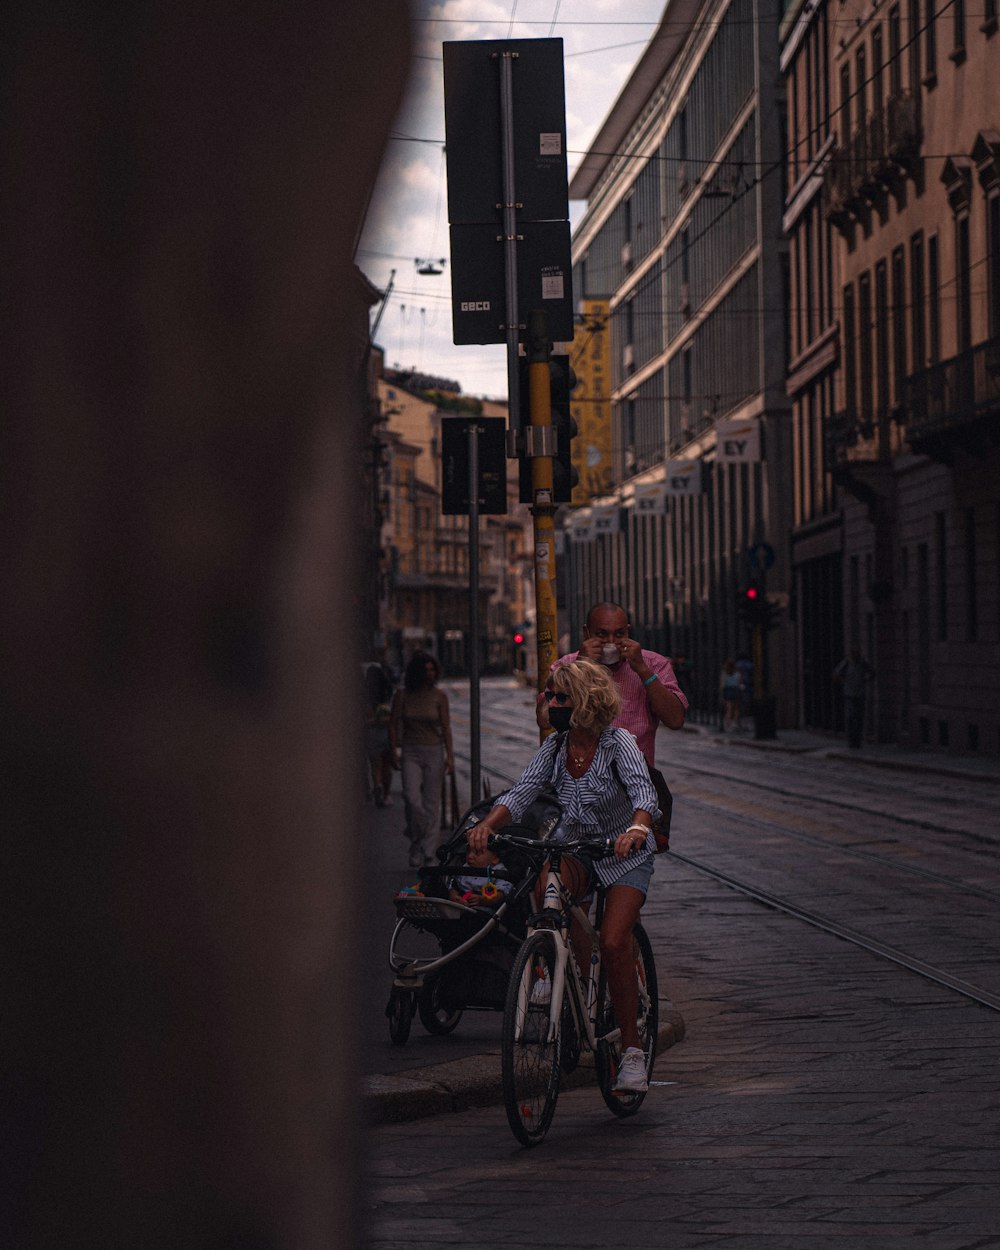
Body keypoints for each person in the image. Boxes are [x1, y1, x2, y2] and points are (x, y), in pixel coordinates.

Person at [470, 658, 660, 1094]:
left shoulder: (619, 744)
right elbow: (522, 792)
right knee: (546, 890)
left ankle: (631, 1052)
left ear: (586, 701)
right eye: (549, 696)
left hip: (625, 852)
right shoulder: (555, 747)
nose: (550, 703)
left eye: (560, 697)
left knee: (614, 941)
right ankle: (553, 975)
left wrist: (636, 828)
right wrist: (487, 825)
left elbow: (643, 792)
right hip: (578, 847)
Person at [535, 602, 687, 765]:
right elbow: (544, 720)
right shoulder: (567, 665)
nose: (611, 642)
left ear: (628, 632)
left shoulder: (653, 664)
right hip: (579, 781)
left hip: (634, 778)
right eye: (602, 634)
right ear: (587, 633)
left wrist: (643, 670)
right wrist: (580, 668)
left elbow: (675, 720)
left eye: (619, 634)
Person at [389, 651, 455, 867]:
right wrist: (393, 750)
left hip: (434, 750)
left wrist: (450, 756)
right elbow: (393, 724)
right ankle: (416, 840)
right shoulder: (402, 695)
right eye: (425, 670)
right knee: (411, 799)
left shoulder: (439, 696)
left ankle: (427, 852)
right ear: (416, 672)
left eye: (432, 669)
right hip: (410, 751)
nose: (430, 673)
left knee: (431, 804)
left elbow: (445, 727)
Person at [363, 648, 395, 806]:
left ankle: (377, 786)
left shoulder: (366, 699)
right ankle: (386, 794)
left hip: (372, 734)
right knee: (386, 766)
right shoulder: (388, 695)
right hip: (388, 734)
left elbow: (365, 719)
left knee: (375, 764)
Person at [833, 646, 875, 749]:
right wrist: (845, 682)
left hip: (860, 694)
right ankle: (851, 741)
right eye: (854, 654)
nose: (856, 656)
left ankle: (857, 741)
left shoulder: (863, 663)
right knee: (851, 718)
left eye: (857, 653)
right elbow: (836, 673)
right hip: (849, 695)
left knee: (859, 718)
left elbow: (873, 672)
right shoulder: (847, 663)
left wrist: (865, 680)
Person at [448, 845, 514, 907]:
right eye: (468, 851)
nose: (469, 856)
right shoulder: (466, 867)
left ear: (495, 858)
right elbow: (455, 886)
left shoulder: (499, 871)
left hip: (486, 906)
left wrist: (483, 900)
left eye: (477, 852)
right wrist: (454, 896)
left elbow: (501, 894)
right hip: (463, 902)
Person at [719, 658, 743, 732]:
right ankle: (734, 723)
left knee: (728, 709)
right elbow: (740, 683)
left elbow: (722, 685)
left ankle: (728, 724)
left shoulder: (724, 673)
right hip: (736, 690)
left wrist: (721, 695)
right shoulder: (737, 673)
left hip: (728, 690)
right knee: (736, 708)